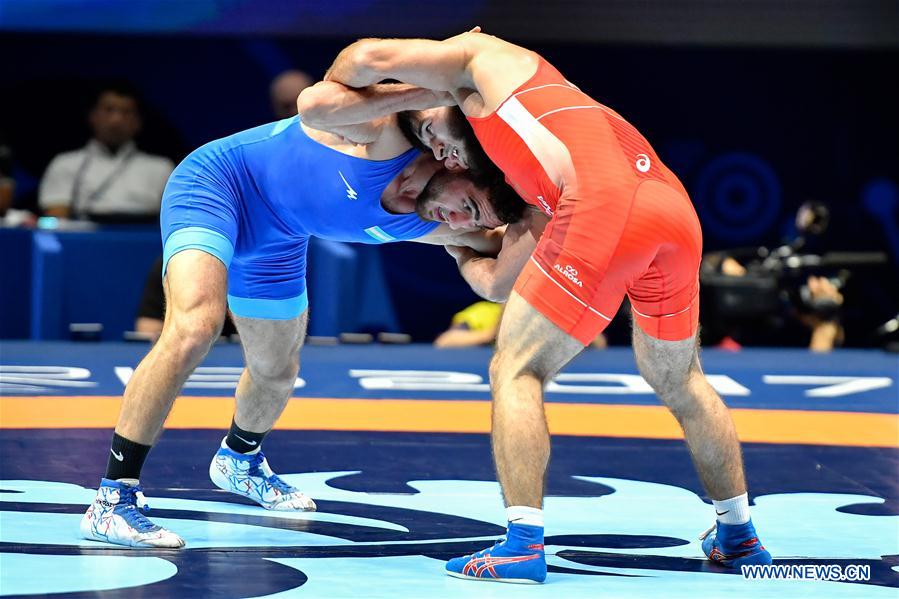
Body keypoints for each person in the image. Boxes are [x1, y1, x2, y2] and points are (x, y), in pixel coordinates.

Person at [321, 30, 772, 582]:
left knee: (515, 369)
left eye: (428, 128)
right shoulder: (517, 155)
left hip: (604, 203)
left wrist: (400, 99)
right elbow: (495, 283)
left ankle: (521, 546)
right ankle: (738, 534)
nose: (434, 147)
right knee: (680, 377)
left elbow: (362, 58)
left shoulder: (479, 60)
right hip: (670, 208)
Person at [80, 95, 525, 548]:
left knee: (276, 372)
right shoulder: (383, 136)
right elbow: (318, 100)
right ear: (455, 163)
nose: (455, 221)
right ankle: (112, 500)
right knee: (196, 326)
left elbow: (501, 278)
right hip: (219, 186)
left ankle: (240, 461)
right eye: (464, 205)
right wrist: (432, 89)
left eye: (469, 221)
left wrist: (536, 217)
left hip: (281, 239)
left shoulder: (439, 223)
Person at [38, 83, 174, 221]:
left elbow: (174, 219)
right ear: (92, 116)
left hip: (145, 241)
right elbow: (57, 220)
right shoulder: (65, 163)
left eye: (126, 112)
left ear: (138, 122)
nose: (116, 120)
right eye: (108, 110)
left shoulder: (161, 167)